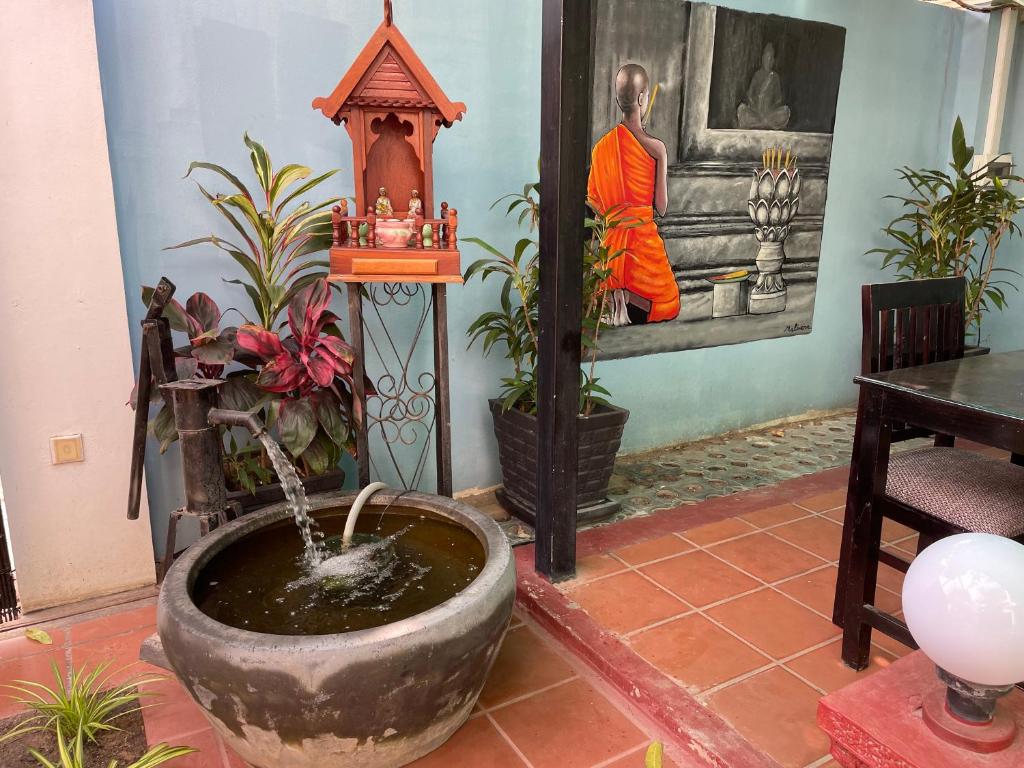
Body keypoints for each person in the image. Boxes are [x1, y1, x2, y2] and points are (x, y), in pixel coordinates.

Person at [587, 63, 679, 325]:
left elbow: (594, 201)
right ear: (642, 98)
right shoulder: (656, 149)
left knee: (603, 286)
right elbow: (661, 207)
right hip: (643, 243)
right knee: (669, 303)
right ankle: (630, 299)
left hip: (611, 248)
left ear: (618, 100)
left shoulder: (600, 148)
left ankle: (614, 296)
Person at [736, 43, 791, 130]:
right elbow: (750, 95)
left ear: (773, 61)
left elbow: (778, 99)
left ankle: (761, 123)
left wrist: (771, 108)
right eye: (766, 58)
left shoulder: (775, 77)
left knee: (785, 111)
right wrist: (755, 106)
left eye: (770, 59)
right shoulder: (757, 75)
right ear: (762, 59)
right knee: (742, 109)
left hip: (770, 113)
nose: (768, 61)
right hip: (757, 112)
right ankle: (763, 123)